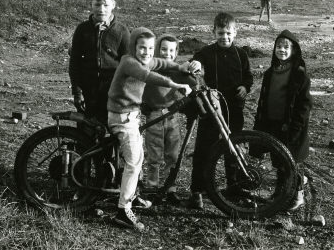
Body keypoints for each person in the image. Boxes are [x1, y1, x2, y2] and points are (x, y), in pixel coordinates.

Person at [108, 27, 199, 231]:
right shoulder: (129, 62)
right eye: (142, 47)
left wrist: (181, 67)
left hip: (131, 115)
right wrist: (176, 85)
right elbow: (149, 76)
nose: (147, 52)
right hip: (121, 117)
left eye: (150, 48)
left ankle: (133, 194)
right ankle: (123, 210)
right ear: (134, 47)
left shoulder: (146, 59)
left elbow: (162, 63)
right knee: (134, 161)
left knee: (139, 155)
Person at [186, 12, 253, 209]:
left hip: (234, 110)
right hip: (210, 110)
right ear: (213, 32)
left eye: (228, 33)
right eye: (220, 33)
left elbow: (248, 77)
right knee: (204, 150)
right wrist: (196, 63)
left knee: (233, 149)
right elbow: (197, 59)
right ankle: (197, 191)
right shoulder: (207, 52)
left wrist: (245, 87)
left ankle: (234, 186)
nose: (224, 37)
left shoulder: (241, 54)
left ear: (235, 32)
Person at [253, 30, 312, 211]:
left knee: (293, 162)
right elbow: (263, 100)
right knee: (279, 161)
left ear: (294, 50)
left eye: (286, 47)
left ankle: (298, 195)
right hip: (273, 124)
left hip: (292, 127)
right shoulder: (270, 73)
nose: (282, 50)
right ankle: (279, 194)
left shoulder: (299, 74)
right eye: (279, 46)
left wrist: (296, 127)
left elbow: (305, 105)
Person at [141, 34, 193, 205]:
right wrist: (143, 106)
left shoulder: (178, 70)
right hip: (154, 116)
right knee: (154, 154)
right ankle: (152, 187)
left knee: (173, 154)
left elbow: (194, 80)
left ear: (176, 52)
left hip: (172, 116)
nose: (167, 53)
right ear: (157, 49)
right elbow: (137, 87)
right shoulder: (150, 68)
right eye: (163, 49)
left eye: (171, 50)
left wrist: (195, 67)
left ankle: (170, 188)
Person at [68, 0, 130, 127]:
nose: (101, 9)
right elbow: (75, 62)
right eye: (97, 5)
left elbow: (128, 65)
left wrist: (126, 93)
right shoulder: (82, 29)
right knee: (86, 133)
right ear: (91, 5)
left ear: (113, 5)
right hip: (88, 91)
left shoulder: (122, 31)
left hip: (113, 91)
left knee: (113, 133)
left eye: (106, 5)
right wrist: (77, 92)